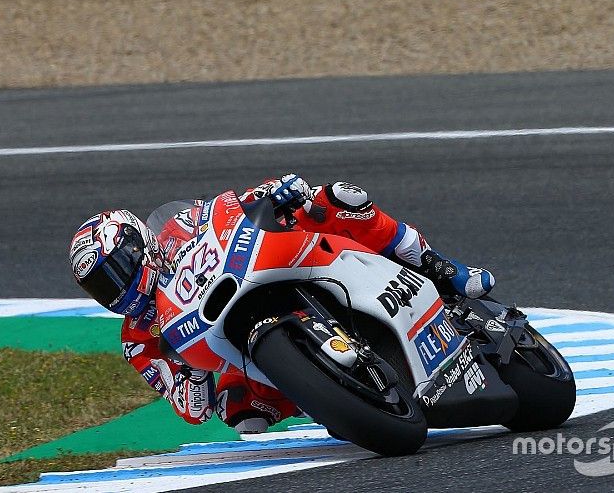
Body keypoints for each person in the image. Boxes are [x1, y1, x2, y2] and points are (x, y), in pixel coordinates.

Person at [69, 175, 495, 434]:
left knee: (339, 198)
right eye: (103, 287)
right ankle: (327, 393)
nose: (118, 289)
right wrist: (189, 367)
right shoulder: (139, 340)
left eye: (117, 270)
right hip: (231, 341)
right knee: (237, 413)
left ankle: (440, 267)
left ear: (139, 244)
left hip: (264, 266)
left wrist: (278, 192)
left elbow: (229, 212)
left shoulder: (178, 227)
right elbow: (191, 410)